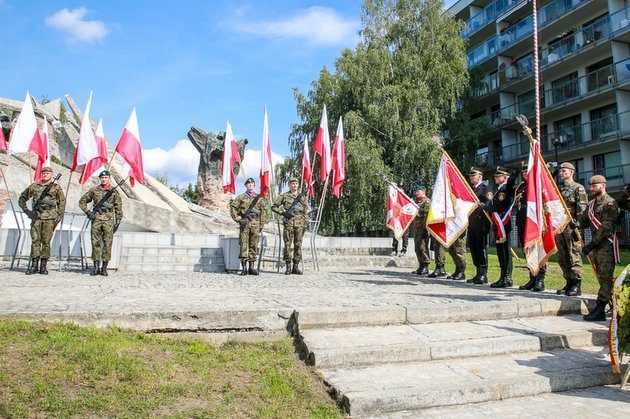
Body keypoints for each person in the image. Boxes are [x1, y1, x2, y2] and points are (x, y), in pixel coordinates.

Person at [579, 175, 620, 321]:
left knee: (605, 276)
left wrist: (590, 245)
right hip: (596, 247)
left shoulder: (610, 204)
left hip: (606, 246)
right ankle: (607, 304)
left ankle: (601, 308)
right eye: (590, 186)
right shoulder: (591, 204)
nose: (591, 188)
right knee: (601, 277)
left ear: (603, 185)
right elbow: (584, 221)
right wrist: (577, 225)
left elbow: (605, 229)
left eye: (594, 186)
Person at [18, 166, 65, 275]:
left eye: (48, 173)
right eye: (43, 173)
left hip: (49, 218)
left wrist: (57, 219)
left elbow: (61, 204)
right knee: (35, 241)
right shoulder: (34, 186)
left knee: (46, 242)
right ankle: (34, 266)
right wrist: (27, 211)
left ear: (51, 175)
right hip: (36, 218)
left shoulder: (56, 188)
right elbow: (22, 199)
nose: (45, 175)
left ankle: (43, 266)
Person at [79, 170, 123, 276]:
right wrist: (88, 212)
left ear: (109, 178)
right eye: (102, 177)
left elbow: (118, 208)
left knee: (107, 244)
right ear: (100, 178)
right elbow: (82, 201)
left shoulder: (114, 192)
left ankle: (104, 268)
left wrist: (118, 221)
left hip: (108, 221)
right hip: (96, 220)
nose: (104, 179)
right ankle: (95, 268)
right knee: (95, 244)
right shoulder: (94, 190)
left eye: (106, 177)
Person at [554, 162, 587, 296]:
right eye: (561, 171)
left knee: (574, 254)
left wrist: (579, 224)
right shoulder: (560, 189)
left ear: (572, 172)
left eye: (564, 171)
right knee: (563, 256)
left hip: (571, 226)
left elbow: (582, 209)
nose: (562, 173)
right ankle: (568, 281)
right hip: (560, 226)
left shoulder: (578, 188)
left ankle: (576, 284)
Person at [483, 166, 517, 288]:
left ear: (505, 178)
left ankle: (507, 277)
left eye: (498, 176)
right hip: (498, 225)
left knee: (505, 252)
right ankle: (503, 276)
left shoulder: (506, 189)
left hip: (504, 224)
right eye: (495, 176)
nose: (495, 177)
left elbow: (499, 206)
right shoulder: (499, 189)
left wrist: (487, 207)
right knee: (500, 252)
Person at [514, 164, 547, 292]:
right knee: (527, 250)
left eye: (527, 172)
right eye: (523, 172)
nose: (525, 174)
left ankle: (540, 280)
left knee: (538, 251)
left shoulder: (537, 185)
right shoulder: (521, 186)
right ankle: (532, 278)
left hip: (534, 222)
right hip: (523, 221)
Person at [230, 177, 267, 276]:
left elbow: (264, 212)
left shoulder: (259, 198)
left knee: (253, 245)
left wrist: (261, 225)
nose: (250, 185)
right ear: (246, 185)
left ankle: (251, 267)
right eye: (248, 184)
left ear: (254, 185)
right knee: (243, 245)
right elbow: (233, 207)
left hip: (255, 225)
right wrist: (238, 219)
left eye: (252, 184)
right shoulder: (241, 197)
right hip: (245, 224)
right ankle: (244, 268)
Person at [272, 177, 308, 275]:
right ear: (289, 185)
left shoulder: (302, 197)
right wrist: (283, 213)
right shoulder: (284, 196)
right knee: (287, 244)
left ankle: (295, 267)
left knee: (298, 245)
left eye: (296, 183)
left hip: (300, 225)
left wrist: (305, 224)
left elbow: (305, 212)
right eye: (292, 183)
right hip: (288, 224)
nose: (294, 185)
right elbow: (274, 207)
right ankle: (288, 266)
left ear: (298, 185)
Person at [467, 167, 492, 284]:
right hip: (471, 222)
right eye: (470, 176)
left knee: (481, 248)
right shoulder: (470, 189)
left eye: (473, 176)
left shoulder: (486, 188)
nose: (471, 178)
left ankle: (483, 273)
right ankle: (477, 272)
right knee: (474, 248)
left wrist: (482, 205)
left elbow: (488, 204)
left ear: (480, 176)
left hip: (481, 222)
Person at [410, 185, 430, 275]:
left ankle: (425, 265)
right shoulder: (416, 201)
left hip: (423, 227)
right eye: (416, 192)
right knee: (417, 248)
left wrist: (416, 209)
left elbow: (426, 214)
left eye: (418, 191)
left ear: (423, 191)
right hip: (416, 227)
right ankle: (420, 265)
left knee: (423, 247)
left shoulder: (427, 201)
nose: (416, 193)